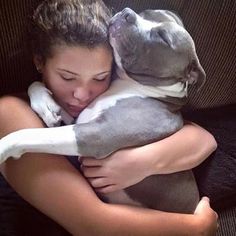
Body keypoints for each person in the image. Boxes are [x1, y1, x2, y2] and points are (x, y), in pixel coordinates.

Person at [0, 0, 218, 235]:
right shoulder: (9, 113)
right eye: (67, 77)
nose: (82, 94)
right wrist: (196, 227)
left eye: (100, 77)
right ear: (39, 61)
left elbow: (204, 139)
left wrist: (139, 162)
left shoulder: (114, 98)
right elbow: (92, 224)